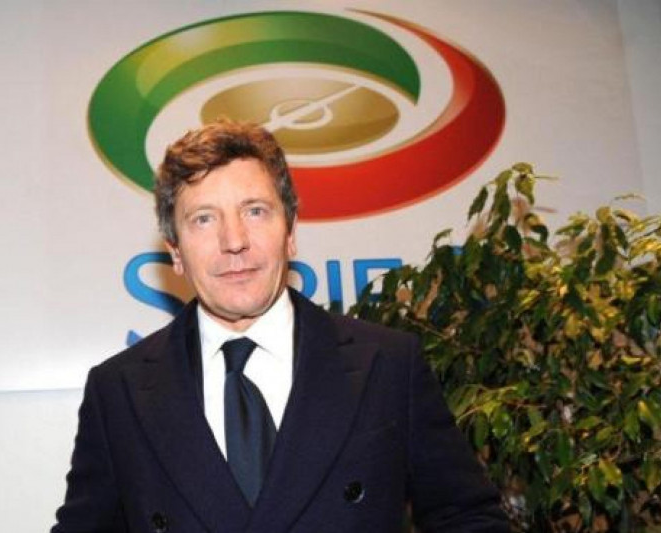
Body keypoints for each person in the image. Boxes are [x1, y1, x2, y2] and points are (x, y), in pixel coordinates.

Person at [52, 120, 508, 532]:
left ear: (290, 232)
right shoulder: (118, 393)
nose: (234, 241)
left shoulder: (388, 364)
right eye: (204, 219)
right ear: (175, 251)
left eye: (255, 211)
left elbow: (468, 517)